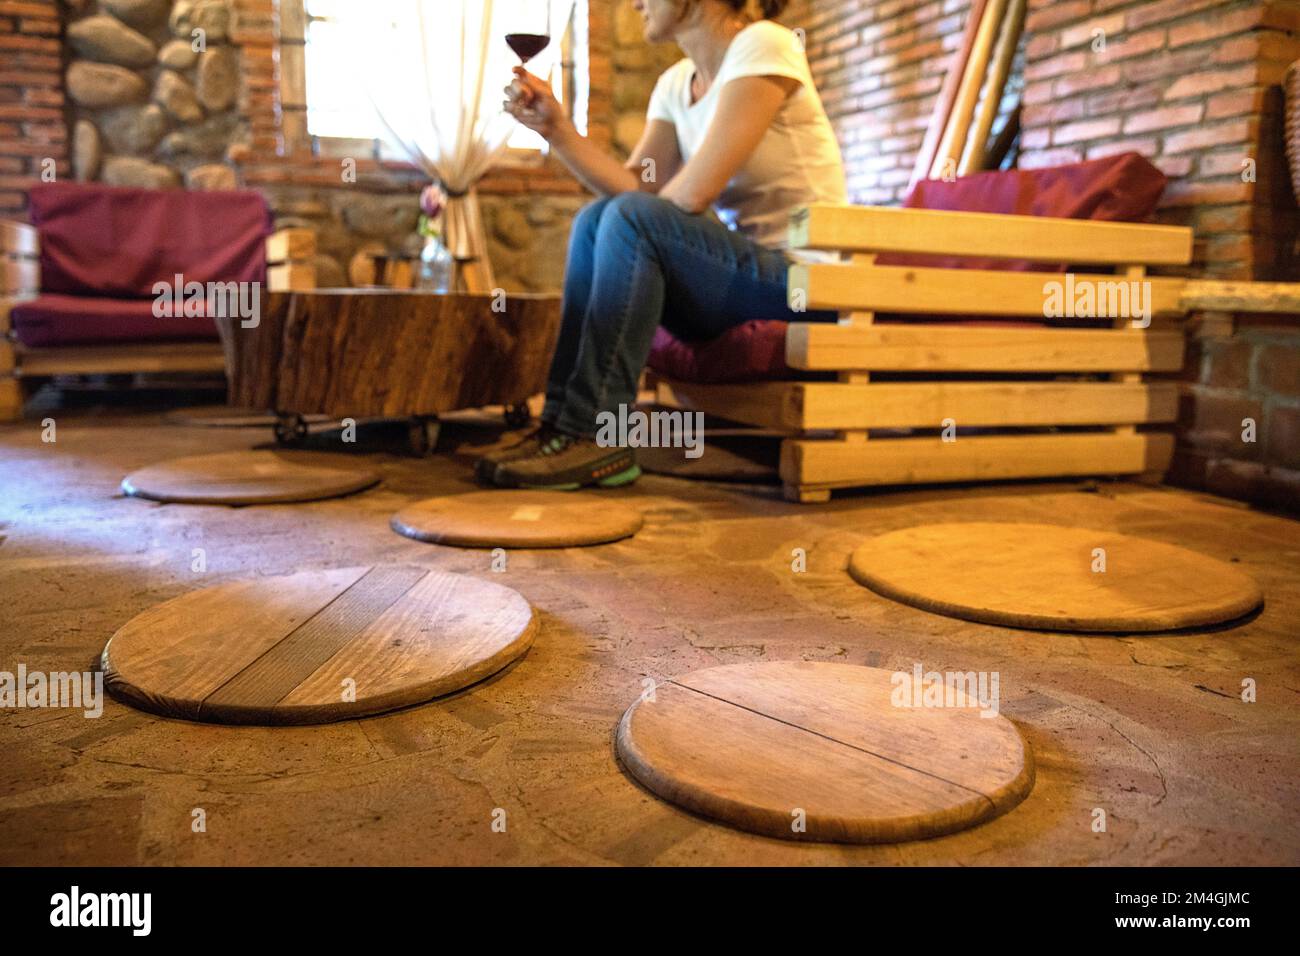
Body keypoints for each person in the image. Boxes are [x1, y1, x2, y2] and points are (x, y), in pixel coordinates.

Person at [484, 0, 846, 490]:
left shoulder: (765, 45)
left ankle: (599, 434)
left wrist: (639, 220)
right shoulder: (677, 83)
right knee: (596, 219)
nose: (636, 3)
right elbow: (635, 183)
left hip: (807, 285)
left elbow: (691, 193)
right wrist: (557, 131)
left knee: (630, 217)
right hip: (744, 280)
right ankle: (561, 427)